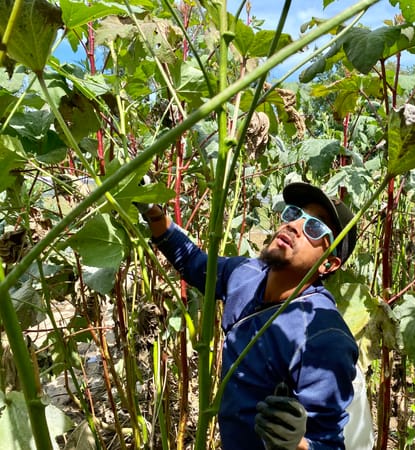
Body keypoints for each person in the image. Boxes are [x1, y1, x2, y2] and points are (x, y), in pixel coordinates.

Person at [139, 181, 359, 450]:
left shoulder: (322, 337)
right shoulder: (247, 273)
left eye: (314, 226)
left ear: (329, 263)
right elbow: (194, 263)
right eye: (294, 214)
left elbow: (328, 443)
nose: (295, 226)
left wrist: (298, 444)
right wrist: (154, 213)